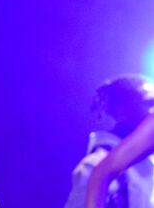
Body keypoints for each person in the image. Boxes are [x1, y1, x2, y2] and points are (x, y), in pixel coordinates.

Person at [64, 75, 154, 208]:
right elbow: (101, 174)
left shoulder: (146, 167)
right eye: (150, 103)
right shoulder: (94, 164)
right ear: (123, 110)